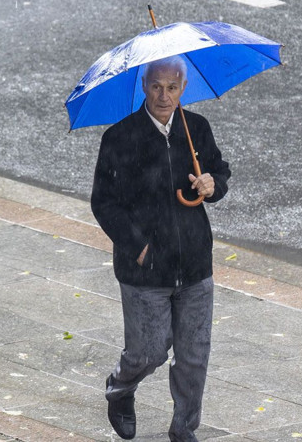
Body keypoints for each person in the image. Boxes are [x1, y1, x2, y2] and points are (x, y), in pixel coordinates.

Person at [91, 55, 231, 441]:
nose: (164, 95)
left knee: (193, 356)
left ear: (183, 88)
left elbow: (220, 171)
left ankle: (184, 427)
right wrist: (137, 247)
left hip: (195, 264)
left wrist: (211, 185)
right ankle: (120, 390)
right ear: (144, 86)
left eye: (172, 87)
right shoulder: (119, 138)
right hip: (145, 270)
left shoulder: (196, 129)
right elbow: (103, 203)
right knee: (148, 352)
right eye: (156, 86)